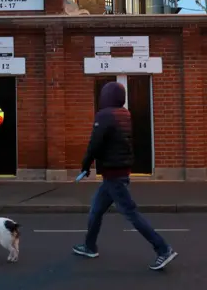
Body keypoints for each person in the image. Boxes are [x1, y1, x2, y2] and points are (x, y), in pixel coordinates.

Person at [72, 81, 178, 271]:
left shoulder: (104, 115)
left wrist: (85, 166)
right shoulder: (125, 114)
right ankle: (89, 246)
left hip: (113, 174)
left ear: (106, 96)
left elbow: (94, 145)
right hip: (117, 171)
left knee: (131, 214)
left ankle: (163, 249)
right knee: (96, 210)